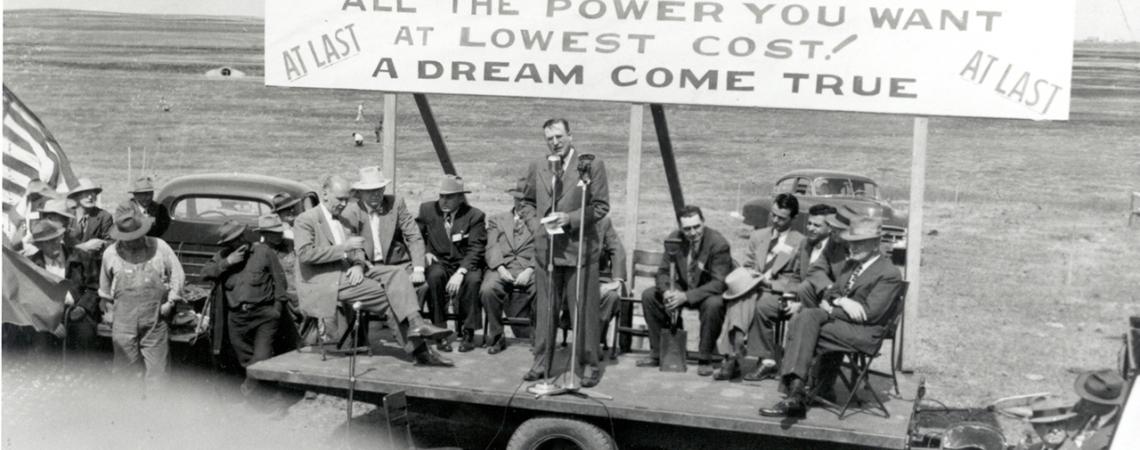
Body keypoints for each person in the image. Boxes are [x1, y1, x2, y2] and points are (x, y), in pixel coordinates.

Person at [293, 174, 452, 366]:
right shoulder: (306, 219)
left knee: (397, 273)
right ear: (325, 194)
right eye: (340, 199)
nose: (344, 204)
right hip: (324, 281)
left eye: (346, 199)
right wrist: (344, 249)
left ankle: (417, 325)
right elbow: (305, 254)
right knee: (390, 298)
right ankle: (420, 351)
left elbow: (358, 248)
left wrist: (359, 265)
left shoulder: (343, 220)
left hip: (349, 272)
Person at [759, 216, 902, 418]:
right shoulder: (851, 265)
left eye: (859, 242)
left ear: (875, 243)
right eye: (852, 242)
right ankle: (799, 392)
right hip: (840, 322)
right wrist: (842, 302)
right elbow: (831, 293)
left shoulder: (889, 273)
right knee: (805, 315)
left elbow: (869, 314)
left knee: (803, 325)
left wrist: (832, 308)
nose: (853, 247)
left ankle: (795, 393)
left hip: (864, 332)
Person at [519, 118, 610, 387]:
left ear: (570, 135)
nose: (555, 142)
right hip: (546, 251)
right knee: (546, 310)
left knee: (582, 311)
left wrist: (569, 219)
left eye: (559, 136)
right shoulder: (539, 165)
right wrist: (536, 225)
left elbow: (601, 207)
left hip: (579, 250)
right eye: (549, 138)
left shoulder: (591, 164)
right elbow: (525, 201)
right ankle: (540, 362)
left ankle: (589, 364)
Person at [338, 166, 429, 348]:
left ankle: (412, 328)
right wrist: (359, 263)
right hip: (368, 265)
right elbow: (353, 245)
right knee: (358, 285)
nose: (375, 195)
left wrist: (418, 268)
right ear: (360, 193)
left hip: (397, 263)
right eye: (370, 192)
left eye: (379, 190)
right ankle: (361, 336)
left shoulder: (396, 203)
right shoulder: (350, 212)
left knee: (421, 285)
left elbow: (413, 235)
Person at [98, 203, 185, 390]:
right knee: (125, 373)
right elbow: (104, 291)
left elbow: (178, 275)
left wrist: (171, 302)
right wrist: (109, 312)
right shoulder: (110, 254)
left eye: (137, 236)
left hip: (155, 319)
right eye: (129, 238)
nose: (133, 241)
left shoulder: (159, 247)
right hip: (123, 321)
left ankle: (155, 412)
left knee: (158, 373)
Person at [637, 205, 731, 377]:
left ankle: (705, 357)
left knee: (714, 305)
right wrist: (666, 292)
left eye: (697, 227)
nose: (693, 232)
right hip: (681, 286)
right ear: (681, 228)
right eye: (687, 229)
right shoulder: (674, 240)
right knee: (650, 295)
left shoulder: (718, 244)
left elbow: (719, 283)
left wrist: (686, 297)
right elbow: (663, 272)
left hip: (706, 292)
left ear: (703, 222)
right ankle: (659, 352)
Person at [201, 220, 291, 394]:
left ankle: (248, 391)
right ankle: (262, 395)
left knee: (262, 358)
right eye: (230, 242)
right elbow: (204, 273)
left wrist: (276, 311)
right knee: (245, 360)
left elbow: (280, 282)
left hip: (264, 315)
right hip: (237, 318)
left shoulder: (263, 252)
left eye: (237, 239)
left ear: (243, 236)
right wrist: (227, 262)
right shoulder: (224, 256)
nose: (235, 244)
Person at [734, 193, 804, 382]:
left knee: (761, 305)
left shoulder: (800, 242)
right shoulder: (758, 236)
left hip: (778, 292)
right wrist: (751, 276)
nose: (775, 220)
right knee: (730, 302)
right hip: (753, 287)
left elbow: (799, 280)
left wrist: (771, 283)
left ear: (793, 219)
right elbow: (747, 264)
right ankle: (731, 355)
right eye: (773, 215)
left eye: (782, 218)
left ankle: (767, 361)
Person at [417, 174, 487, 352]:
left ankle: (468, 331)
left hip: (464, 262)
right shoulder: (427, 210)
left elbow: (476, 248)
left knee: (473, 280)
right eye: (441, 196)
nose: (444, 201)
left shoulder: (474, 216)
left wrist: (461, 271)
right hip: (439, 261)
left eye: (449, 197)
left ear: (460, 198)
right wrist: (426, 252)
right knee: (434, 277)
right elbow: (415, 236)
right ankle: (440, 330)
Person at [480, 179, 536, 354]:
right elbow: (491, 245)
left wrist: (530, 269)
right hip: (502, 267)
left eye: (526, 201)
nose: (521, 204)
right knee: (488, 289)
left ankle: (537, 338)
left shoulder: (540, 223)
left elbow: (545, 248)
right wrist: (500, 268)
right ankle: (496, 337)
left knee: (543, 290)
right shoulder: (498, 219)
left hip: (530, 269)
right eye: (518, 199)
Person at [68, 178, 114, 307]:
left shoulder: (104, 216)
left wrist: (101, 244)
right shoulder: (66, 216)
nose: (90, 197)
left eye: (93, 193)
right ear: (76, 197)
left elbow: (112, 243)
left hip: (93, 273)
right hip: (68, 270)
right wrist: (83, 247)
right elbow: (58, 240)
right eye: (85, 193)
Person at [595, 216, 626, 347]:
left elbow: (617, 249)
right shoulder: (563, 217)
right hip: (570, 277)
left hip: (599, 278)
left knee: (611, 297)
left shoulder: (603, 222)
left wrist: (617, 280)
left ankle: (595, 342)